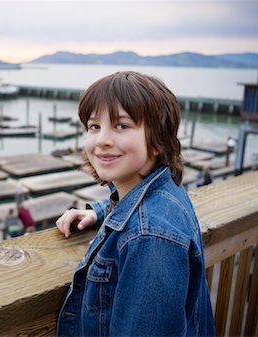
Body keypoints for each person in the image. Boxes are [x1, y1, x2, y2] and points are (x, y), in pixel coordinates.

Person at [55, 71, 215, 336]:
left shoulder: (151, 239)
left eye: (122, 126)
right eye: (94, 126)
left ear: (158, 142)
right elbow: (139, 205)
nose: (103, 139)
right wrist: (101, 211)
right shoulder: (166, 192)